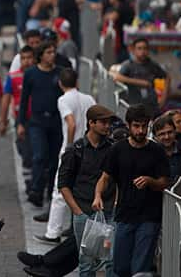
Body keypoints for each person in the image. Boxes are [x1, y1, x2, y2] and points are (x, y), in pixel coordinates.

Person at [93, 104, 170, 277]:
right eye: (136, 126)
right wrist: (98, 195)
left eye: (144, 126)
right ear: (128, 125)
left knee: (140, 269)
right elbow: (105, 178)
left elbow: (164, 182)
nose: (140, 130)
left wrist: (150, 181)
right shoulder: (117, 150)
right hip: (124, 215)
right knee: (120, 267)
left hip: (149, 217)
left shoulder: (156, 151)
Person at [35, 68, 96, 244]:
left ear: (60, 83)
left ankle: (53, 233)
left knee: (60, 190)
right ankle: (80, 231)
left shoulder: (63, 99)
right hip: (88, 148)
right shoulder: (89, 99)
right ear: (77, 82)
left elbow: (70, 123)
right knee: (83, 191)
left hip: (72, 150)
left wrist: (69, 146)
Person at [55, 104, 116, 277]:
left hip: (109, 212)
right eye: (103, 122)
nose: (107, 126)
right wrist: (78, 212)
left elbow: (117, 179)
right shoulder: (75, 150)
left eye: (108, 122)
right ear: (91, 123)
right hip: (84, 211)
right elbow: (63, 184)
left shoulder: (113, 148)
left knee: (112, 259)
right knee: (87, 262)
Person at [18, 43, 63, 207]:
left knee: (53, 159)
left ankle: (51, 190)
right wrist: (21, 123)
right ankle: (36, 189)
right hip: (37, 121)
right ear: (41, 55)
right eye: (49, 52)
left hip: (55, 121)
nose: (52, 55)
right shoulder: (31, 73)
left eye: (53, 51)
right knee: (39, 155)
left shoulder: (59, 73)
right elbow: (24, 100)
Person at [2, 43, 37, 173]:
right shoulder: (13, 77)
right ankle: (29, 175)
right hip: (21, 118)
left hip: (37, 119)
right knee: (23, 148)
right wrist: (3, 120)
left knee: (37, 151)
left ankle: (34, 182)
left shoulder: (39, 74)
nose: (26, 61)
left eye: (29, 58)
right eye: (23, 58)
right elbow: (6, 97)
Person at [114, 37, 169, 119]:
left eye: (145, 48)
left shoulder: (152, 65)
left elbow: (167, 77)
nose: (142, 51)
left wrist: (164, 96)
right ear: (133, 50)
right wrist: (140, 82)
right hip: (134, 105)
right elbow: (117, 77)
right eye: (139, 48)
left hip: (151, 106)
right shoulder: (129, 65)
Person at [153, 113, 181, 189]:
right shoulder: (151, 156)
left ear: (175, 132)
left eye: (169, 132)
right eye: (162, 134)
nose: (167, 137)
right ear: (155, 137)